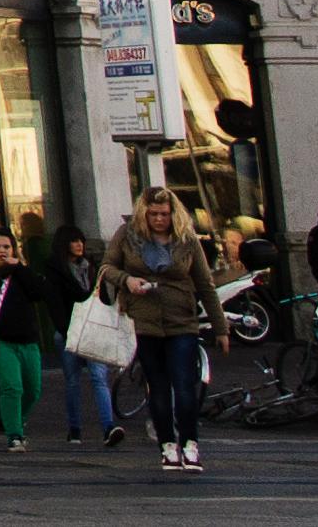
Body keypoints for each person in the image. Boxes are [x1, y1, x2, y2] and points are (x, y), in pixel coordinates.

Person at [102, 183, 230, 474]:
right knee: (157, 386)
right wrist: (127, 281)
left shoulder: (186, 239)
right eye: (154, 214)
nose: (159, 219)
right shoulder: (127, 236)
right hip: (144, 321)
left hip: (181, 319)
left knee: (184, 385)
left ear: (174, 214)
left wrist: (220, 327)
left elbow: (205, 284)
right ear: (143, 214)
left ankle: (190, 444)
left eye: (165, 214)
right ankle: (167, 445)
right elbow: (106, 267)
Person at [0, 223, 59, 451]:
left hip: (28, 339)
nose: (2, 251)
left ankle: (18, 419)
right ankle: (14, 434)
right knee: (11, 387)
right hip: (1, 340)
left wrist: (19, 269)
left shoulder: (21, 272)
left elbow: (39, 292)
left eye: (6, 246)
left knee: (33, 389)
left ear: (14, 249)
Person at [51, 226, 124, 448]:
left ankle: (108, 427)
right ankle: (74, 428)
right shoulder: (55, 269)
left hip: (92, 329)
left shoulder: (92, 268)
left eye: (81, 240)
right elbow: (54, 303)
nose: (79, 245)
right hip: (69, 330)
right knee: (73, 381)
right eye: (74, 241)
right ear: (65, 244)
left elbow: (102, 298)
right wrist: (64, 329)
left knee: (99, 377)